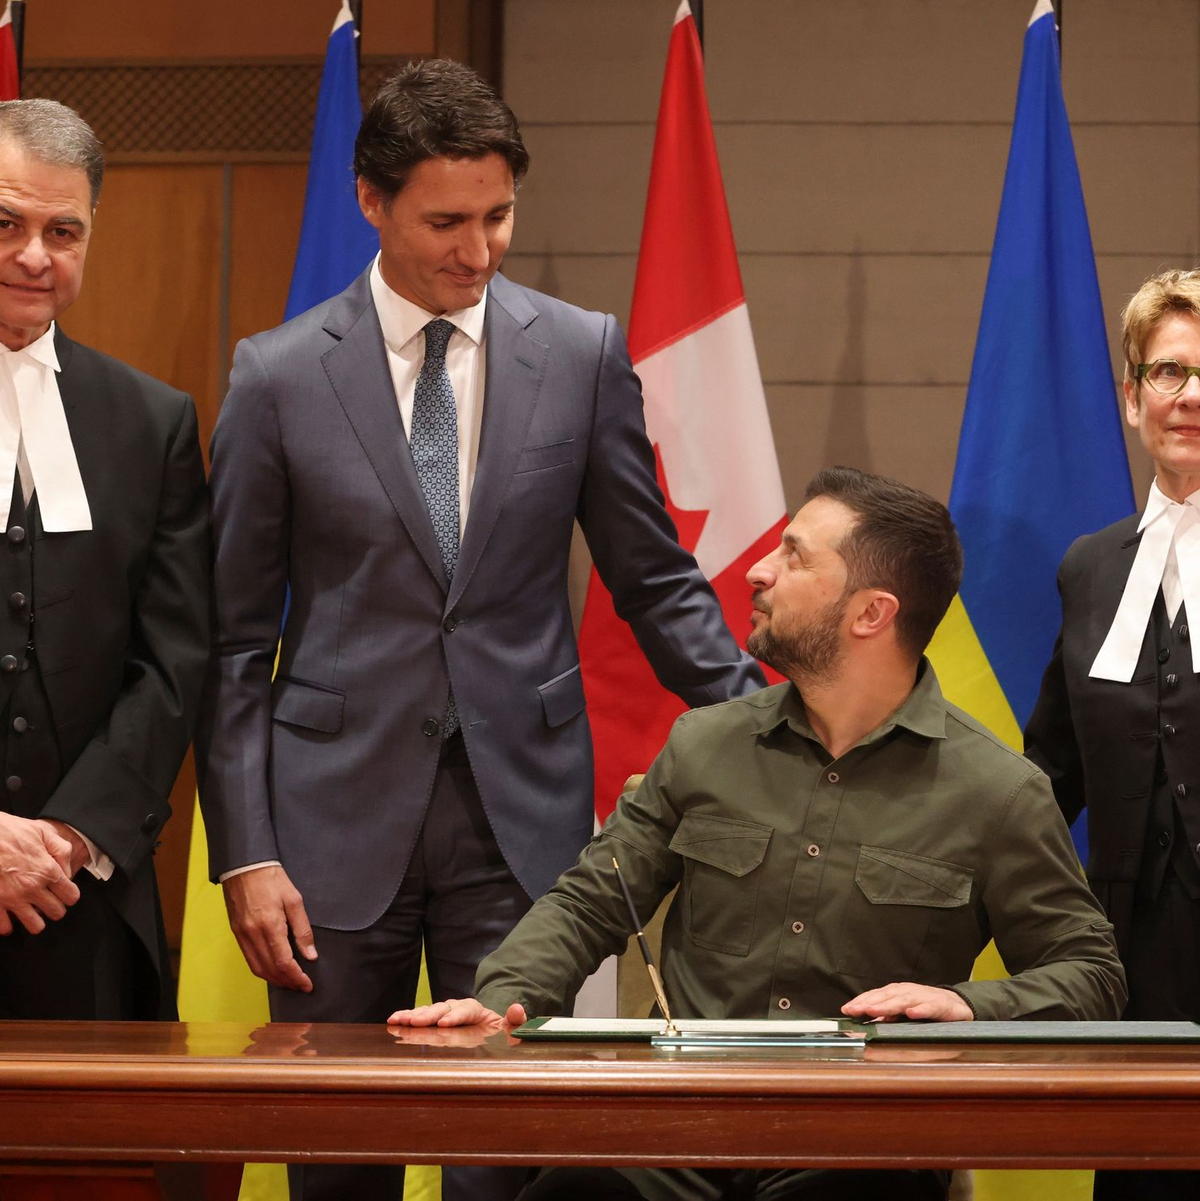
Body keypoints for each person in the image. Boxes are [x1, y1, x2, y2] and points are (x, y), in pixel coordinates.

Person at [196, 58, 762, 1201]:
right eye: (446, 221)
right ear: (373, 202)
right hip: (324, 835)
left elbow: (653, 579)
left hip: (521, 824)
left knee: (507, 1156)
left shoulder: (584, 351)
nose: (479, 248)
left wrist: (769, 726)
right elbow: (232, 644)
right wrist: (246, 851)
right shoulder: (278, 375)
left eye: (498, 216)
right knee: (337, 1158)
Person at [392, 466, 1127, 1201]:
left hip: (863, 1148)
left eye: (795, 555)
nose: (758, 570)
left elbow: (1091, 974)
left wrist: (969, 1007)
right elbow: (589, 902)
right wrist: (507, 996)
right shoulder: (702, 745)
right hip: (673, 1133)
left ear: (870, 612)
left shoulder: (998, 791)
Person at [0, 99, 209, 1020]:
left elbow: (173, 663)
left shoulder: (152, 422)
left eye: (63, 229)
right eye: (5, 223)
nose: (35, 255)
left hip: (75, 899)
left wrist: (65, 836)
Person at [1025, 268, 1200, 1201]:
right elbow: (1047, 775)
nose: (1191, 397)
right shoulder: (1090, 570)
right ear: (1133, 397)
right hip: (1133, 959)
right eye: (1168, 373)